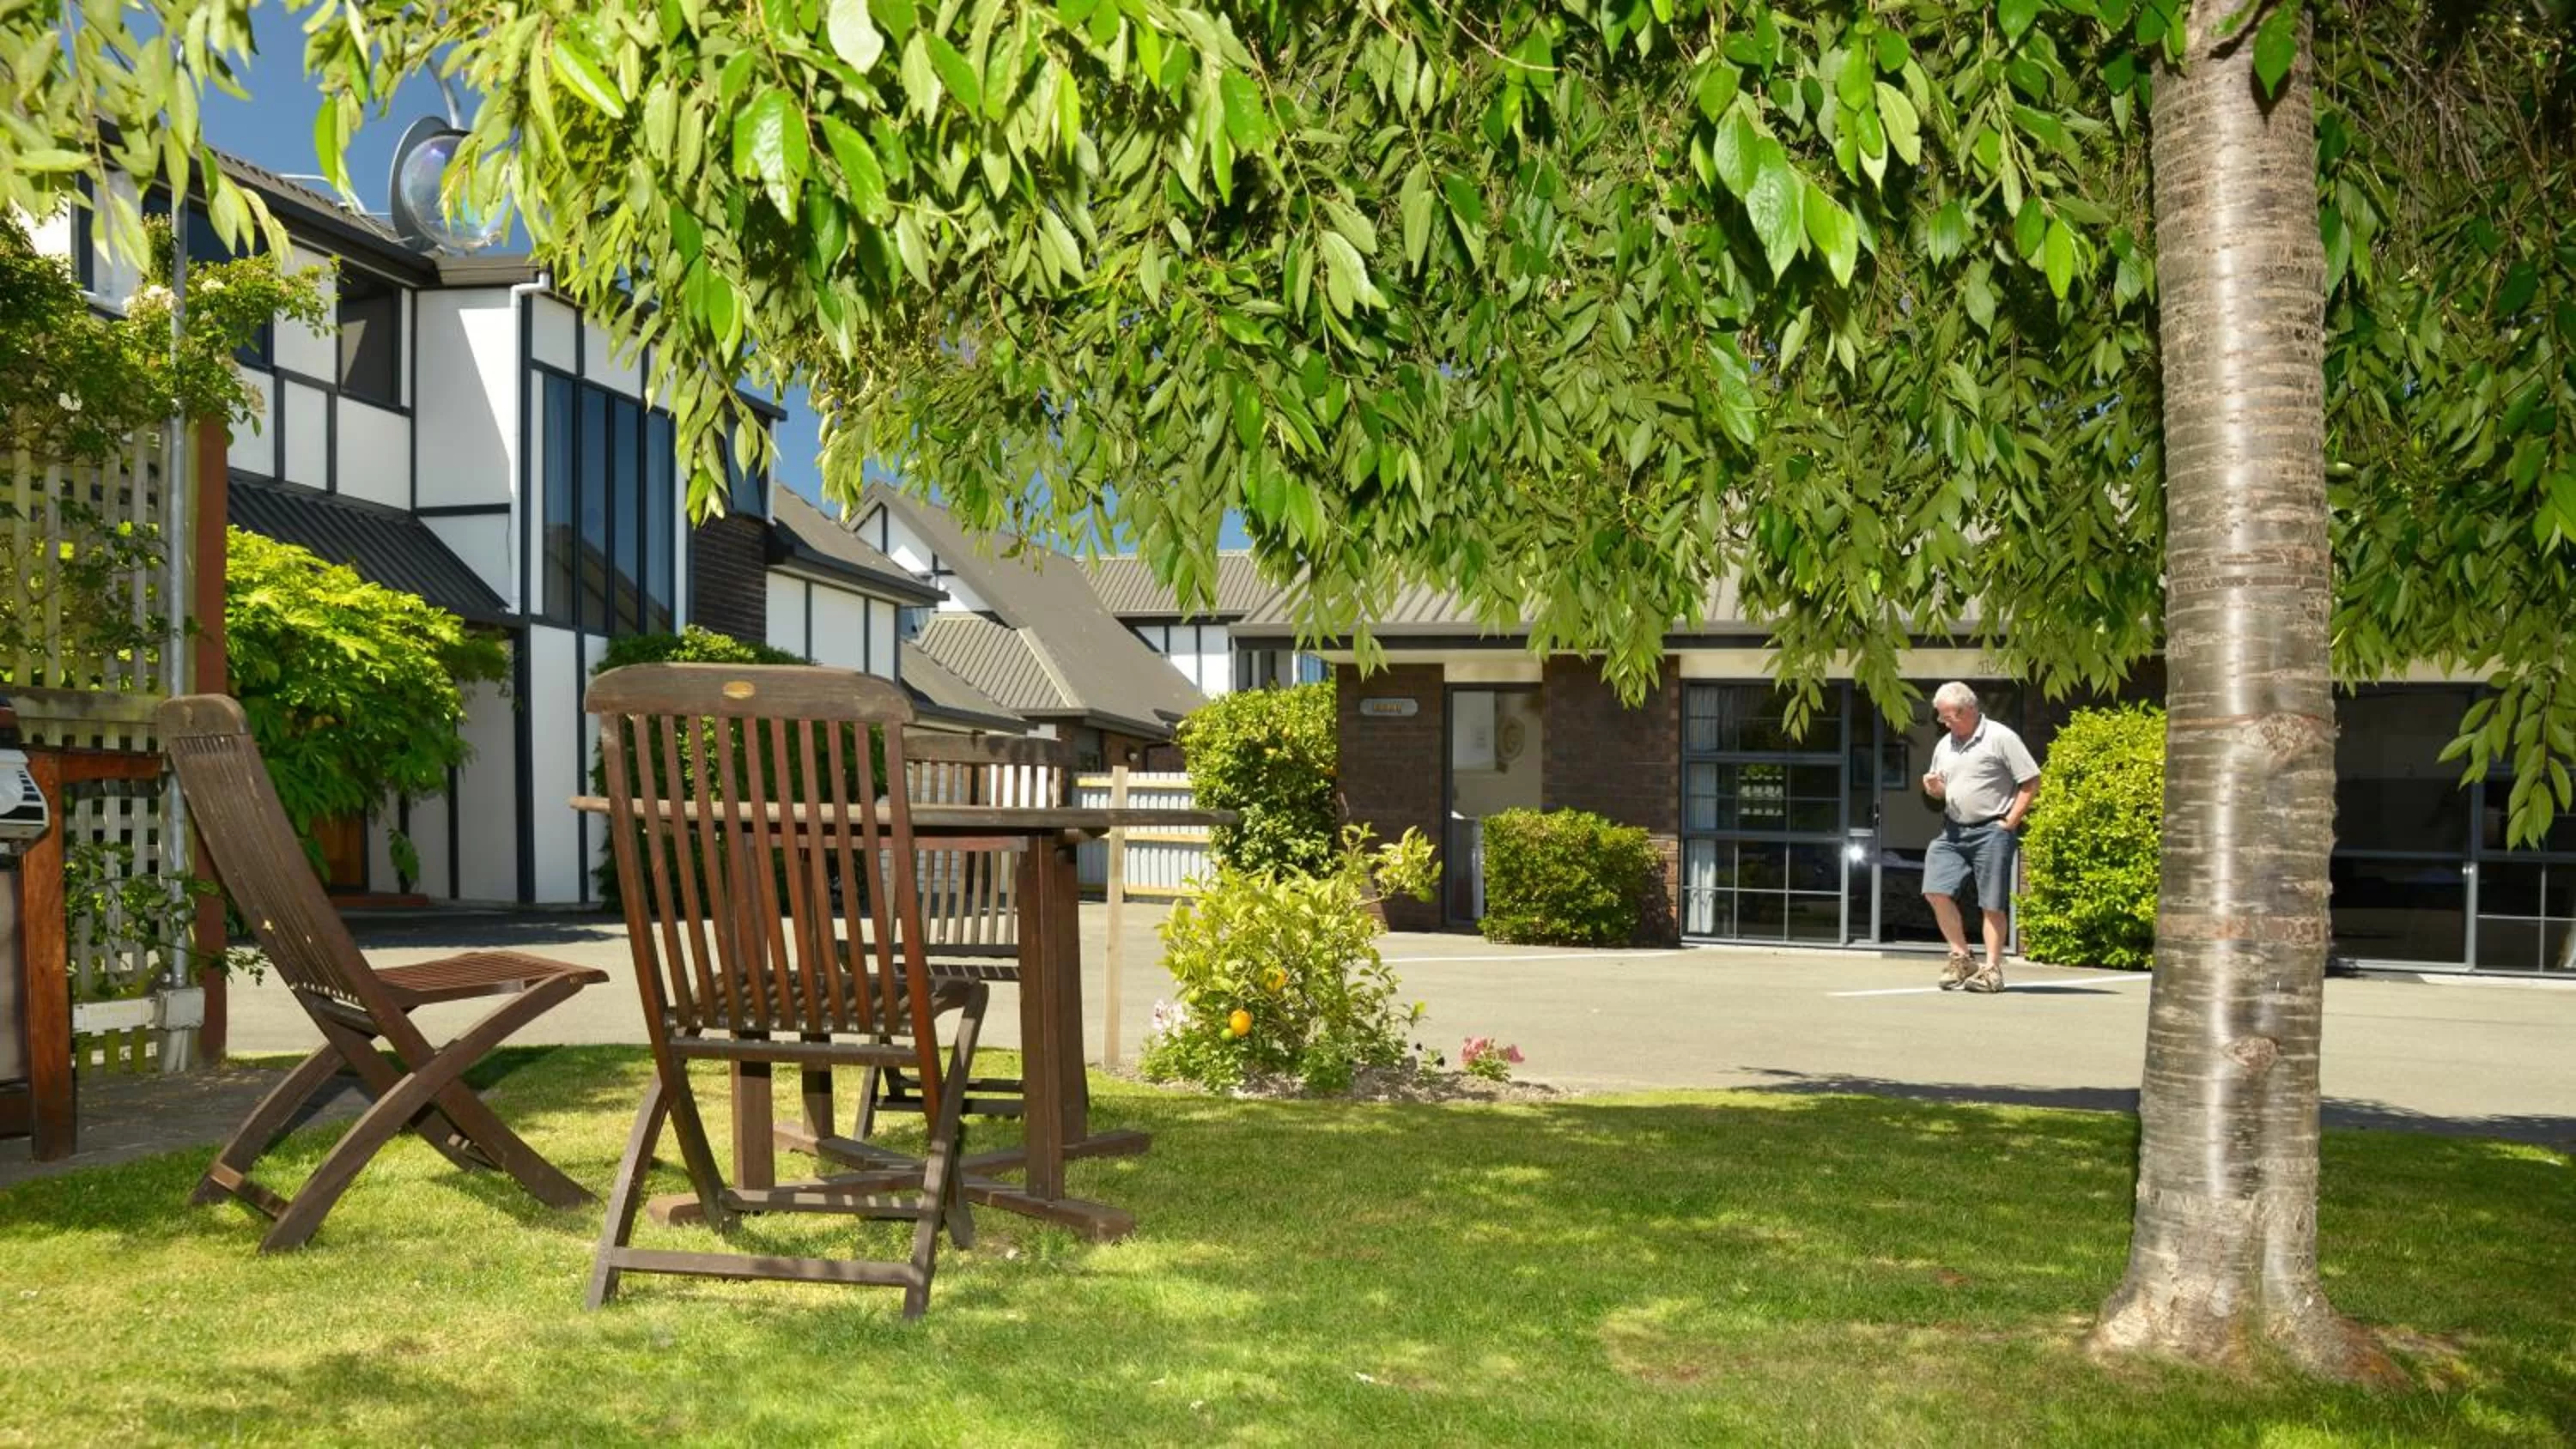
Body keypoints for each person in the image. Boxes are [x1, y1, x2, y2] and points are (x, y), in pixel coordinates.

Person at [1920, 682, 2041, 993]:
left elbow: (2031, 780)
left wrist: (2011, 821)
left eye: (1947, 717)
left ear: (1969, 710)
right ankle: (1962, 957)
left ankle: (1992, 969)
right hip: (1953, 830)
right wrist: (1935, 790)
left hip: (1991, 830)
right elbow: (1945, 790)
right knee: (1935, 890)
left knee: (1991, 904)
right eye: (1941, 718)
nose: (1943, 723)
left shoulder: (2000, 737)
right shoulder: (1945, 745)